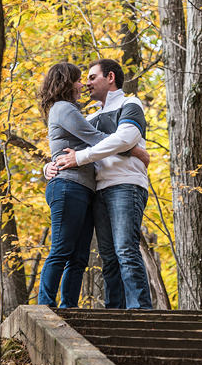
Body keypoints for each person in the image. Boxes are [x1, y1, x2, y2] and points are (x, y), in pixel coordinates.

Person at [36, 62, 149, 308]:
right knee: (105, 256)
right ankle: (113, 309)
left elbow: (123, 138)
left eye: (91, 77)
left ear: (109, 77)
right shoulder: (88, 115)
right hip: (93, 189)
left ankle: (140, 310)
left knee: (124, 250)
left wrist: (129, 148)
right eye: (81, 79)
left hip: (123, 184)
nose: (85, 83)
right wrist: (48, 167)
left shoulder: (129, 103)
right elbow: (75, 145)